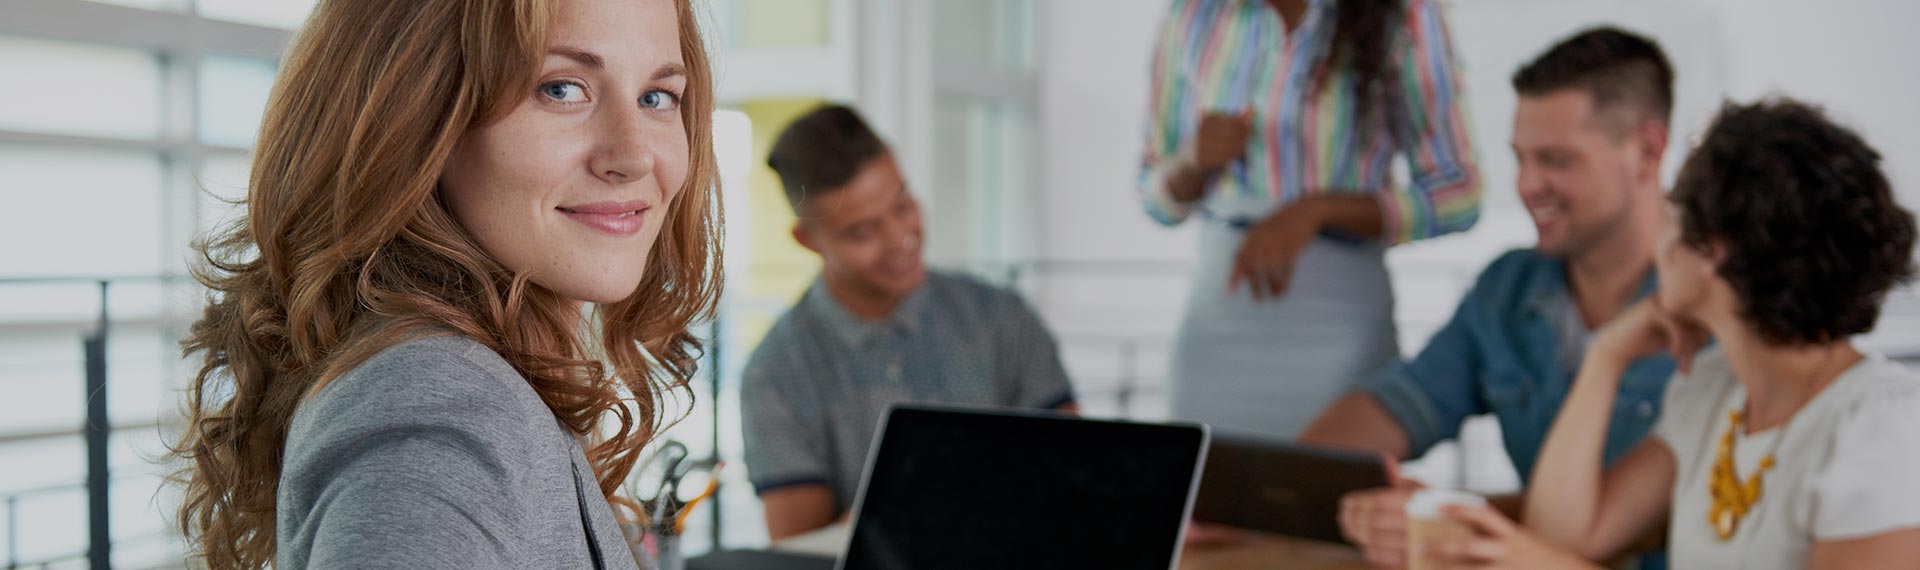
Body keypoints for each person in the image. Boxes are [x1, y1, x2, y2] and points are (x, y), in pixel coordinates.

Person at [169, 0, 722, 567]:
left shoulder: (484, 384)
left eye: (657, 97)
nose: (634, 156)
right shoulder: (441, 407)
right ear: (413, 117)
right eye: (560, 89)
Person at [1426, 98, 1920, 569]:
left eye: (1672, 213)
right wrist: (1605, 357)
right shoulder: (1713, 392)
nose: (1659, 236)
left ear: (1713, 250)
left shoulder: (1877, 425)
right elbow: (1561, 535)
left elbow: (1549, 560)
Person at [1299, 27, 1681, 568]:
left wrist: (1442, 518)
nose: (1526, 185)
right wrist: (1269, 484)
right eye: (1520, 159)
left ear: (1646, 150)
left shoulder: (1716, 302)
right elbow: (1398, 404)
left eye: (1556, 160)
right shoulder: (1509, 289)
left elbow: (1642, 518)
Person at [1139, 0, 1482, 438]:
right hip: (1215, 327)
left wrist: (1315, 212)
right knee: (1203, 477)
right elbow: (1155, 200)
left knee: (1331, 475)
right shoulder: (1192, 15)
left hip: (1340, 327)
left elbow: (1459, 194)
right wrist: (1188, 163)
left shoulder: (1406, 15)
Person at [742, 104, 1078, 540]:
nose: (900, 239)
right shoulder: (775, 372)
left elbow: (1077, 475)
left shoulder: (1001, 317)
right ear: (808, 241)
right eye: (863, 232)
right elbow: (798, 552)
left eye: (902, 205)